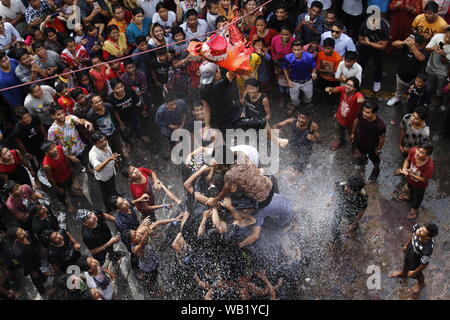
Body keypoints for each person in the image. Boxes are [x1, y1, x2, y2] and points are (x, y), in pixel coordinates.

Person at [389, 223, 438, 294]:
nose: (419, 231)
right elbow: (413, 236)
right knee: (406, 262)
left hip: (417, 260)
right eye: (421, 228)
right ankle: (403, 273)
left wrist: (414, 272)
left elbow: (424, 264)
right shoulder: (417, 228)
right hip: (410, 251)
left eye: (422, 232)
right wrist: (406, 245)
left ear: (427, 237)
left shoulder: (427, 249)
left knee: (417, 275)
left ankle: (421, 283)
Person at [5, 227, 55, 297]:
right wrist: (32, 272)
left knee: (38, 270)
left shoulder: (25, 236)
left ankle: (43, 275)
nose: (23, 232)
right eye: (20, 234)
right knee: (36, 279)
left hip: (33, 258)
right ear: (17, 238)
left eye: (21, 230)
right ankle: (43, 292)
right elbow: (25, 264)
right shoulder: (19, 251)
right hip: (30, 265)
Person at [47, 105, 94, 173]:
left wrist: (86, 122)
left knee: (85, 161)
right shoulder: (52, 130)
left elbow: (80, 120)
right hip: (68, 154)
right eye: (59, 114)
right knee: (74, 170)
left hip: (80, 147)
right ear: (53, 116)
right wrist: (69, 157)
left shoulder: (70, 118)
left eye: (63, 112)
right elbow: (53, 147)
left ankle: (88, 169)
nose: (62, 115)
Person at [325, 77, 365, 151]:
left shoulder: (357, 94)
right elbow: (335, 89)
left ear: (355, 89)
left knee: (353, 135)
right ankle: (341, 141)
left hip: (352, 122)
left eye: (351, 86)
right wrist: (331, 89)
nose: (347, 87)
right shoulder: (343, 89)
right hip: (340, 118)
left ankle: (355, 147)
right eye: (347, 84)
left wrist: (360, 99)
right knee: (340, 132)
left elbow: (360, 97)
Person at [395, 144, 435, 219]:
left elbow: (424, 179)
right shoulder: (413, 151)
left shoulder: (429, 166)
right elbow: (407, 159)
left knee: (418, 197)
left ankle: (414, 209)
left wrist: (411, 175)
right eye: (418, 150)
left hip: (420, 185)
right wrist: (404, 168)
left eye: (421, 152)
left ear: (427, 155)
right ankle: (409, 197)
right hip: (410, 179)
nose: (417, 153)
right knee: (410, 189)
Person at [387, 34, 427, 107]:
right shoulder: (405, 46)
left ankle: (411, 104)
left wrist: (412, 47)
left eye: (414, 44)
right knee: (399, 90)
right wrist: (404, 42)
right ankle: (397, 98)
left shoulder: (423, 51)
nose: (410, 44)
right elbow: (393, 44)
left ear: (419, 45)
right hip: (400, 75)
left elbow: (421, 58)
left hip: (414, 80)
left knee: (413, 94)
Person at [351, 100, 386, 183]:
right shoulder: (361, 114)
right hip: (361, 139)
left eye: (367, 113)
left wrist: (379, 149)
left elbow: (382, 138)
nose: (364, 114)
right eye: (363, 111)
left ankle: (376, 170)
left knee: (375, 159)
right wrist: (353, 133)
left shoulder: (380, 125)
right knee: (361, 152)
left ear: (374, 113)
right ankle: (363, 159)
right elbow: (356, 121)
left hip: (372, 145)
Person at [107, 78, 150, 145]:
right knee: (127, 130)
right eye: (117, 88)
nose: (120, 89)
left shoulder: (129, 90)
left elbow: (137, 101)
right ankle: (130, 141)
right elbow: (114, 111)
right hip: (123, 117)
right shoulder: (110, 98)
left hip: (134, 112)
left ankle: (141, 135)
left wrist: (142, 110)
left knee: (138, 124)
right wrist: (120, 123)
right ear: (113, 90)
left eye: (121, 86)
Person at [41, 141, 79, 213]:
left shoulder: (59, 148)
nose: (54, 149)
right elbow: (49, 178)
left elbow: (65, 158)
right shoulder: (46, 165)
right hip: (59, 182)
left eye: (54, 146)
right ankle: (67, 206)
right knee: (62, 196)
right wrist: (57, 188)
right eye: (51, 149)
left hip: (67, 174)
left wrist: (71, 168)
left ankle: (72, 193)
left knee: (69, 185)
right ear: (46, 153)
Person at [282, 40, 317, 114]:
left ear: (302, 49)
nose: (296, 52)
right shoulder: (288, 58)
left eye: (298, 50)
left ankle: (306, 103)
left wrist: (314, 73)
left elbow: (314, 67)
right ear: (292, 50)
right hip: (294, 81)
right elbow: (285, 68)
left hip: (307, 80)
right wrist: (288, 80)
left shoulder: (309, 57)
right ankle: (295, 105)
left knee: (309, 97)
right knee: (294, 99)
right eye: (294, 50)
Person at [330, 176, 368, 244]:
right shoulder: (342, 184)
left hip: (353, 208)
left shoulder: (362, 195)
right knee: (335, 224)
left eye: (352, 192)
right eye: (348, 188)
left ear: (358, 191)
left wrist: (354, 224)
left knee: (354, 228)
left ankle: (351, 232)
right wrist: (331, 199)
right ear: (347, 185)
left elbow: (362, 210)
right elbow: (334, 186)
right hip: (341, 204)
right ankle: (336, 241)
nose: (348, 191)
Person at [358, 15, 390, 93]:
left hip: (377, 50)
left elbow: (383, 47)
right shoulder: (364, 25)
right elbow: (360, 40)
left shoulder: (384, 27)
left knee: (378, 66)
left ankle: (377, 80)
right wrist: (377, 43)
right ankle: (359, 76)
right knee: (361, 63)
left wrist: (369, 42)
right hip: (365, 48)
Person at [89, 132, 120, 208]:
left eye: (105, 140)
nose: (105, 142)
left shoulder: (105, 144)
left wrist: (114, 160)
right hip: (104, 178)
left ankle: (115, 197)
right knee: (106, 194)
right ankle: (109, 207)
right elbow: (97, 168)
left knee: (113, 187)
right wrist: (109, 159)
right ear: (95, 144)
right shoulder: (94, 154)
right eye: (101, 142)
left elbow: (110, 154)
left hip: (111, 172)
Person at [424, 25, 450, 104]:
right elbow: (426, 48)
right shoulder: (438, 36)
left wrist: (443, 55)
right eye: (447, 36)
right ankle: (426, 95)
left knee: (440, 85)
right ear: (445, 33)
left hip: (443, 71)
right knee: (430, 82)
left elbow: (444, 62)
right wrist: (432, 48)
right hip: (431, 66)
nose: (447, 39)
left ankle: (438, 97)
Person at [0, 51, 24, 117]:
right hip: (16, 100)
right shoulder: (1, 79)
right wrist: (17, 106)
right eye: (3, 62)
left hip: (25, 92)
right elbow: (7, 97)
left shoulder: (13, 61)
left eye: (6, 59)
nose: (7, 62)